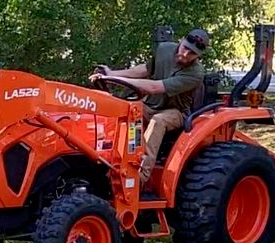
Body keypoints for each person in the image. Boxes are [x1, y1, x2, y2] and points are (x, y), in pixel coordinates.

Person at [89, 28, 210, 193]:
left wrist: (114, 79)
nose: (185, 54)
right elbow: (145, 70)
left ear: (198, 56)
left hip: (175, 111)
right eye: (185, 48)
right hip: (151, 105)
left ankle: (138, 180)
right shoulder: (164, 49)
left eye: (192, 54)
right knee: (123, 109)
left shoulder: (196, 73)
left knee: (157, 122)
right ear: (181, 40)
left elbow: (154, 87)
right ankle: (104, 164)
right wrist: (111, 73)